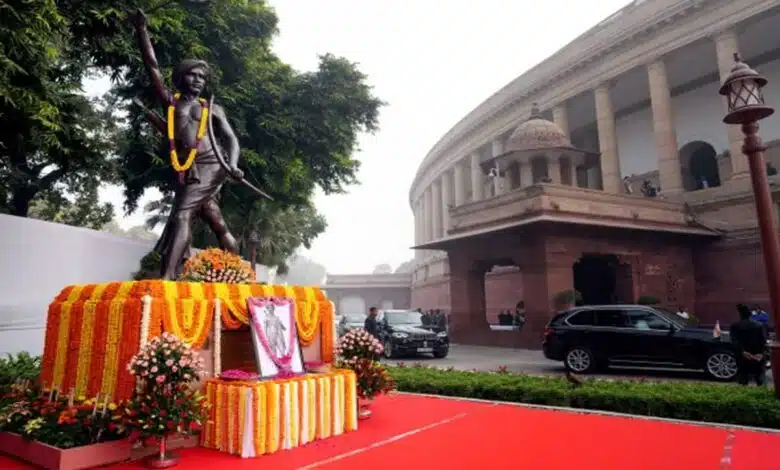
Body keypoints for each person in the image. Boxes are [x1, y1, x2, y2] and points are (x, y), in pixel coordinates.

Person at [130, 9, 245, 280]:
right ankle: (241, 275)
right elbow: (152, 67)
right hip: (188, 167)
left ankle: (167, 278)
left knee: (182, 216)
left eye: (202, 77)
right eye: (192, 75)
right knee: (217, 222)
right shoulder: (171, 102)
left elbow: (230, 138)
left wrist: (235, 164)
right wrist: (141, 30)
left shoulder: (213, 109)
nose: (198, 80)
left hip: (211, 164)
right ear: (181, 78)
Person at [729, 304, 767, 386]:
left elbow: (735, 341)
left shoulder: (735, 326)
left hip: (743, 355)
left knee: (743, 376)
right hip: (757, 354)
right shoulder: (759, 325)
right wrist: (761, 353)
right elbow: (763, 340)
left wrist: (742, 352)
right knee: (759, 376)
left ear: (740, 314)